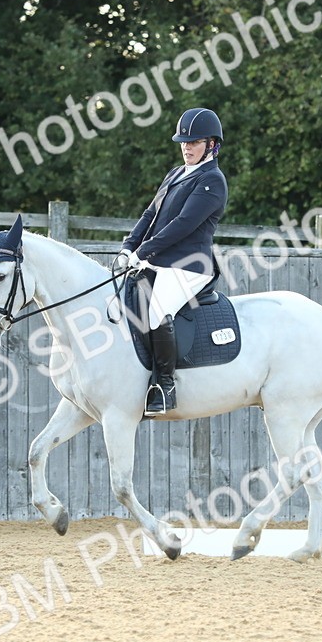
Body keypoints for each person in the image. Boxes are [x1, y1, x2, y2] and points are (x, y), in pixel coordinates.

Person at [116, 107, 229, 416]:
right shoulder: (175, 174)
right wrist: (129, 247)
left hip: (189, 265)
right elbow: (150, 214)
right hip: (159, 260)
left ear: (212, 145)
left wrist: (144, 252)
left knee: (157, 312)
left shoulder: (212, 181)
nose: (186, 147)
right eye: (183, 142)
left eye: (194, 142)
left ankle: (165, 386)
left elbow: (182, 224)